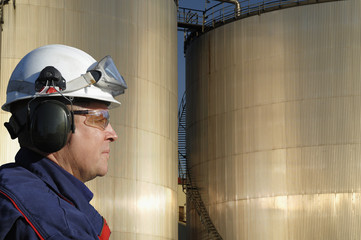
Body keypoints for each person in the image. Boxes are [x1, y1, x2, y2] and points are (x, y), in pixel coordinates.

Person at [0, 44, 127, 239]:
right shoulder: (51, 224)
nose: (112, 134)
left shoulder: (28, 197)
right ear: (54, 121)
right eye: (100, 119)